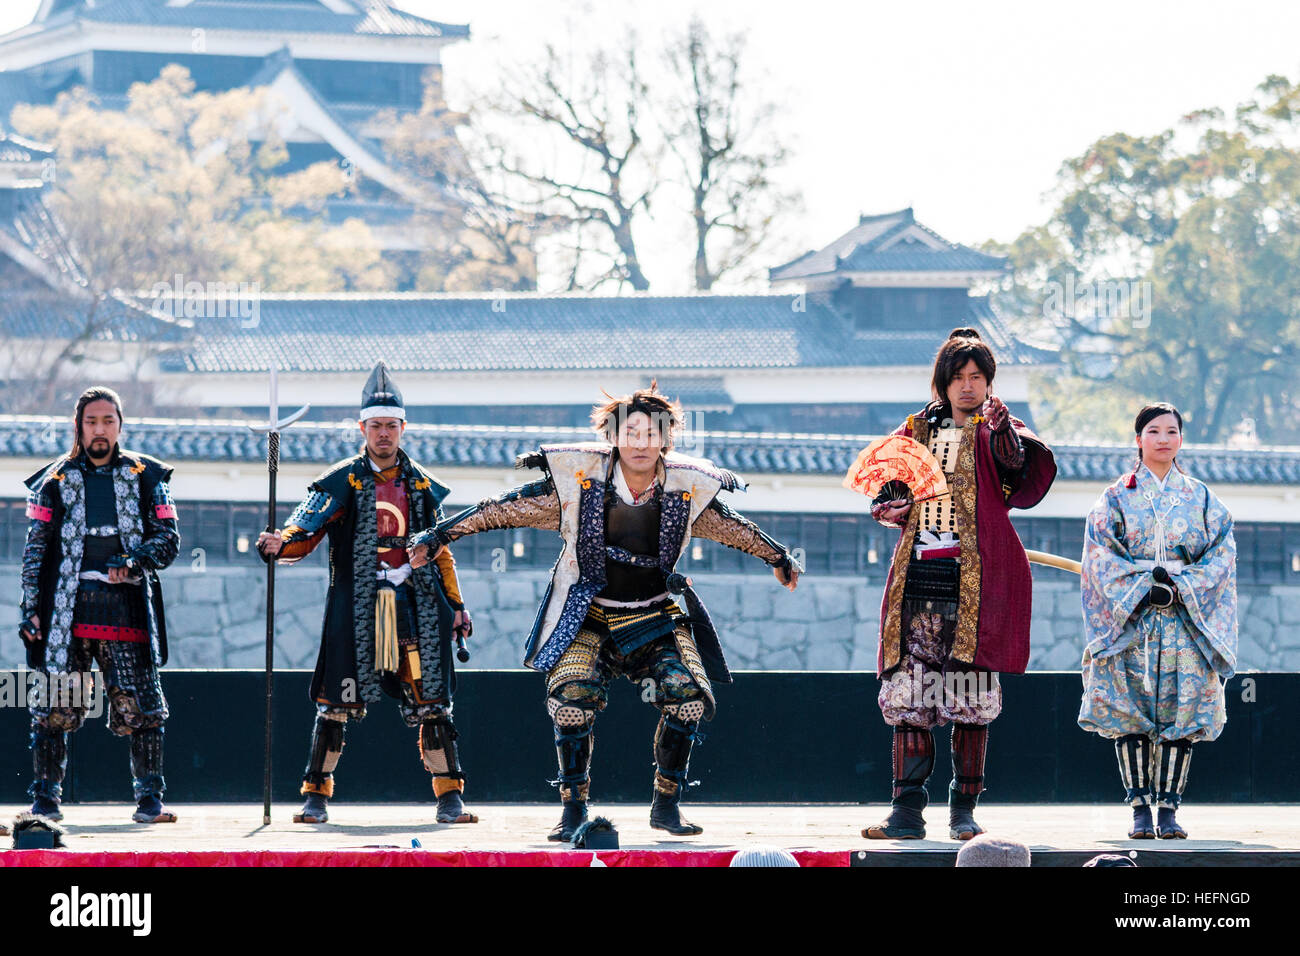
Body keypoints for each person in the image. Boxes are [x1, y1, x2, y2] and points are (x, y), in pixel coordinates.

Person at [410, 383, 802, 841]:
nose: (640, 441)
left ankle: (666, 803)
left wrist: (776, 557)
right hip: (588, 616)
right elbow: (503, 510)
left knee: (687, 697)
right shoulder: (580, 481)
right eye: (630, 431)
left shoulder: (683, 487)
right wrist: (439, 535)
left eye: (651, 432)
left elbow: (729, 525)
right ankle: (573, 809)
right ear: (613, 435)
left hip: (653, 616)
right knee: (571, 703)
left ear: (667, 438)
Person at [257, 363, 476, 825]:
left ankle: (449, 795)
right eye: (375, 426)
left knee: (432, 699)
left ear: (403, 428)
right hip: (358, 607)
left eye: (391, 426)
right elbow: (305, 530)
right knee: (336, 702)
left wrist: (456, 605)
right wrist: (281, 544)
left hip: (414, 605)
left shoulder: (421, 484)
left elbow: (441, 552)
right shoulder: (342, 479)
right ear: (362, 428)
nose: (383, 434)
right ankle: (315, 795)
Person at [861, 328, 1056, 841]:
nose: (967, 387)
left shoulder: (999, 429)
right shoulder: (913, 430)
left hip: (977, 583)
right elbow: (886, 491)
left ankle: (963, 812)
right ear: (942, 384)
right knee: (910, 693)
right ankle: (906, 813)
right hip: (918, 579)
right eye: (958, 378)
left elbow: (1019, 467)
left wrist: (1003, 431)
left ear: (990, 384)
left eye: (977, 377)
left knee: (969, 695)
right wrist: (888, 508)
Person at [20, 386, 180, 823]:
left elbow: (169, 540)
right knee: (53, 707)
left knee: (143, 706)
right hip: (65, 612)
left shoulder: (148, 477)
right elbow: (35, 551)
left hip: (126, 606)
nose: (100, 430)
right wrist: (30, 607)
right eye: (92, 422)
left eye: (108, 421)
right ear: (79, 426)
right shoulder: (51, 481)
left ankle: (150, 799)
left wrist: (134, 560)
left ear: (120, 425)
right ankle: (46, 799)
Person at [1078, 402, 1237, 839]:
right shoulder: (1114, 497)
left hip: (1185, 620)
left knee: (1181, 709)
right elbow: (1099, 555)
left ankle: (1168, 810)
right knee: (1130, 711)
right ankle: (1138, 810)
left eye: (1171, 431)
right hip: (1132, 622)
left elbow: (1223, 551)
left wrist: (1184, 586)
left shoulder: (1202, 497)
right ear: (1138, 439)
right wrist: (1140, 588)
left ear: (1181, 439)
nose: (1163, 438)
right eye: (1153, 431)